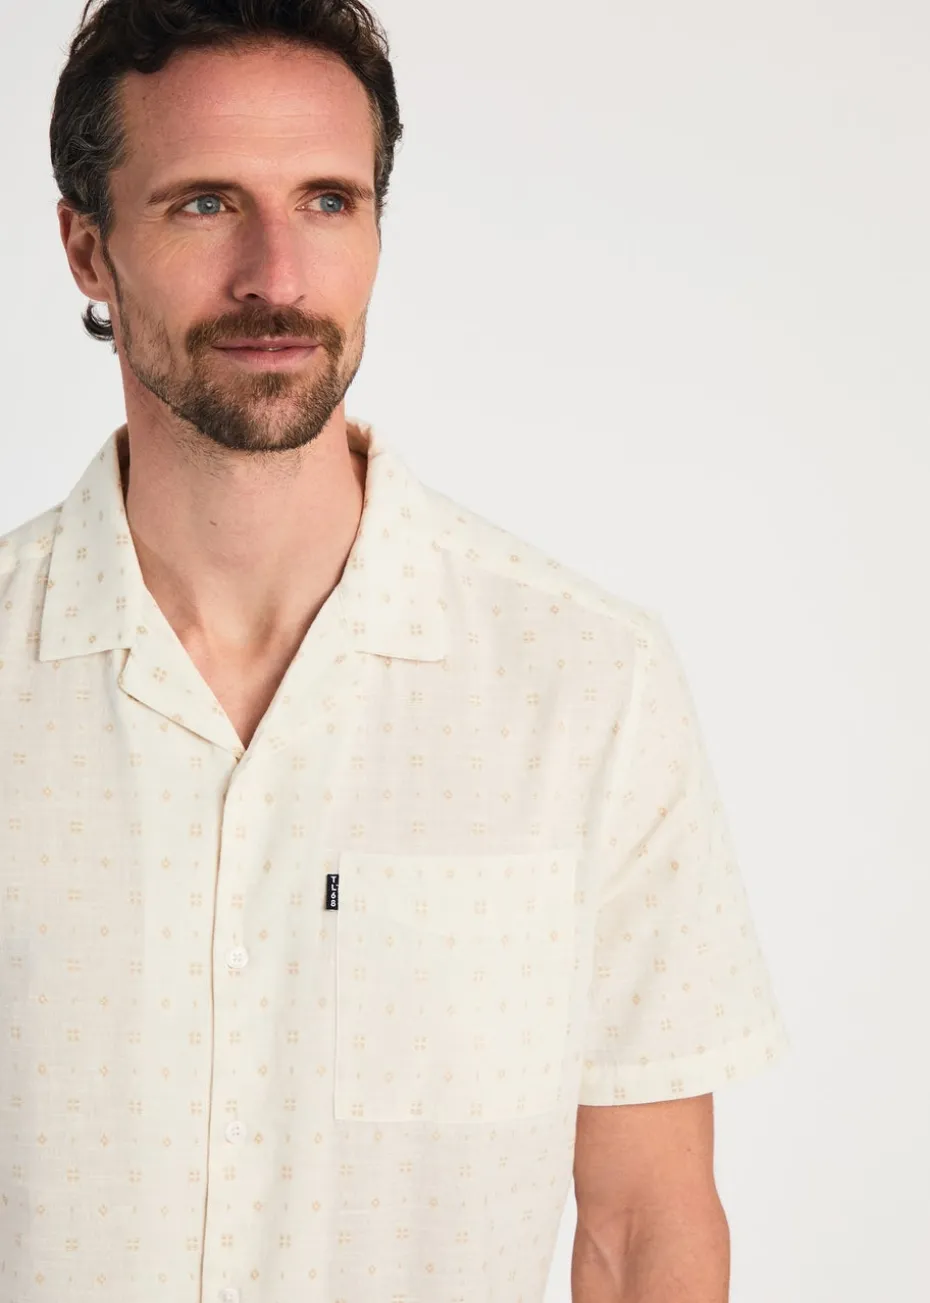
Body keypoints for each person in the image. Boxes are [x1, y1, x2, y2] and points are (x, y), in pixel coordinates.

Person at [0, 2, 791, 1300]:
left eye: (327, 202)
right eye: (205, 204)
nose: (276, 273)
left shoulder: (586, 686)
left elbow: (641, 1226)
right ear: (89, 247)